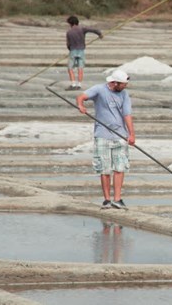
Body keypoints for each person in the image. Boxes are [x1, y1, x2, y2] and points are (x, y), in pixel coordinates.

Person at [76, 70, 135, 209]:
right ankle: (107, 200)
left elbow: (127, 115)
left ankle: (117, 199)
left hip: (120, 135)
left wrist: (131, 134)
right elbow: (81, 97)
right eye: (123, 84)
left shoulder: (124, 95)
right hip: (102, 135)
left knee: (120, 168)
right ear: (115, 83)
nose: (125, 87)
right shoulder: (99, 89)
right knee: (104, 169)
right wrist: (81, 106)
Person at [66, 15, 103, 90]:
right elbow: (93, 30)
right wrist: (100, 34)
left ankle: (73, 84)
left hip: (73, 51)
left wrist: (70, 49)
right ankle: (79, 84)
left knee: (70, 68)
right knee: (80, 68)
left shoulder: (69, 32)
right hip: (81, 51)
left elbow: (68, 44)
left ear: (70, 23)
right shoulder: (82, 29)